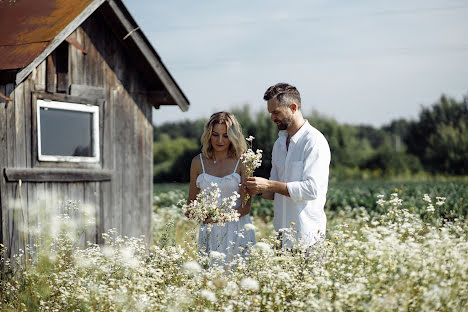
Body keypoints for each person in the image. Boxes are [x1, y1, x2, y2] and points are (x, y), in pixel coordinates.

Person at [245, 83, 331, 248]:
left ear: (293, 107)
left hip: (308, 239)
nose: (272, 118)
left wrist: (268, 184)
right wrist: (256, 188)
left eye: (276, 112)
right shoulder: (279, 144)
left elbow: (312, 189)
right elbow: (274, 192)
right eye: (270, 113)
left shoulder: (313, 141)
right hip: (282, 237)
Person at [187, 112, 256, 262]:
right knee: (210, 280)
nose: (219, 140)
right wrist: (198, 214)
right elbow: (190, 205)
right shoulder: (197, 162)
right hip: (209, 233)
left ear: (233, 136)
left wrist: (217, 218)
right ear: (208, 135)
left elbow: (246, 207)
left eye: (225, 136)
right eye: (215, 135)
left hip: (238, 231)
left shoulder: (244, 161)